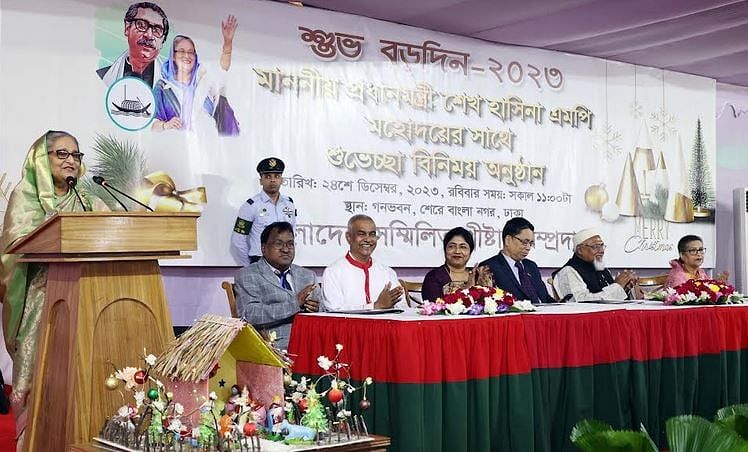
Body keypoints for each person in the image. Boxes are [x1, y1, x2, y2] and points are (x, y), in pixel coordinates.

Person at [1, 131, 107, 440]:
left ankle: (78, 434)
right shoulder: (27, 194)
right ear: (41, 159)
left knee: (79, 371)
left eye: (75, 155)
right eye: (62, 154)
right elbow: (15, 242)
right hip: (41, 297)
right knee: (38, 371)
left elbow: (110, 228)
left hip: (85, 296)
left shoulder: (85, 198)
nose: (71, 160)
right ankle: (33, 439)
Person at [233, 222, 319, 350]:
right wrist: (295, 304)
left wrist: (316, 308)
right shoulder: (248, 275)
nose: (285, 249)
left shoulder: (307, 275)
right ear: (263, 248)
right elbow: (250, 315)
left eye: (290, 244)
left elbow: (322, 311)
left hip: (311, 344)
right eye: (278, 243)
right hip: (273, 347)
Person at [152, 15, 240, 135]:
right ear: (173, 56)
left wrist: (227, 44)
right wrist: (165, 125)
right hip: (173, 146)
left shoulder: (205, 80)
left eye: (191, 52)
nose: (187, 56)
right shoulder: (162, 88)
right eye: (182, 51)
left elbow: (223, 69)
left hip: (206, 145)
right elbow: (152, 126)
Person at [322, 215, 404, 311]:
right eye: (361, 234)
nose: (368, 239)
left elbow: (403, 308)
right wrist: (375, 306)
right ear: (348, 237)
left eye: (372, 234)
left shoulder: (387, 272)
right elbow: (334, 311)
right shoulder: (333, 272)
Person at [231, 158, 297, 266]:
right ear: (261, 181)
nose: (272, 180)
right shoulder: (251, 206)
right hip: (260, 260)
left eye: (277, 176)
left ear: (282, 180)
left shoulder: (289, 204)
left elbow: (292, 233)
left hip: (284, 260)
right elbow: (238, 240)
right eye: (267, 177)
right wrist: (249, 265)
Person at [480, 217, 554, 303]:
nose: (528, 248)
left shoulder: (531, 266)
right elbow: (488, 303)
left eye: (531, 243)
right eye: (524, 242)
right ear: (508, 240)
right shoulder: (488, 267)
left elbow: (545, 298)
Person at [552, 228, 638, 302]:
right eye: (595, 246)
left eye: (601, 246)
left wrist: (624, 289)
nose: (601, 250)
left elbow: (609, 298)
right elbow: (580, 302)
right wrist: (617, 286)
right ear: (580, 250)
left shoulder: (600, 268)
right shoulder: (568, 271)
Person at [97, 2, 170, 87]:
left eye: (157, 30)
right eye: (141, 25)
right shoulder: (102, 79)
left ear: (162, 41)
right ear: (127, 28)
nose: (149, 35)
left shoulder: (171, 84)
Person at [422, 227, 492, 302]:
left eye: (463, 247)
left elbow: (492, 303)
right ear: (445, 249)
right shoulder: (434, 277)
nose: (457, 251)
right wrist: (468, 289)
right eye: (452, 246)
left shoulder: (479, 276)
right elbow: (435, 308)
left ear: (470, 251)